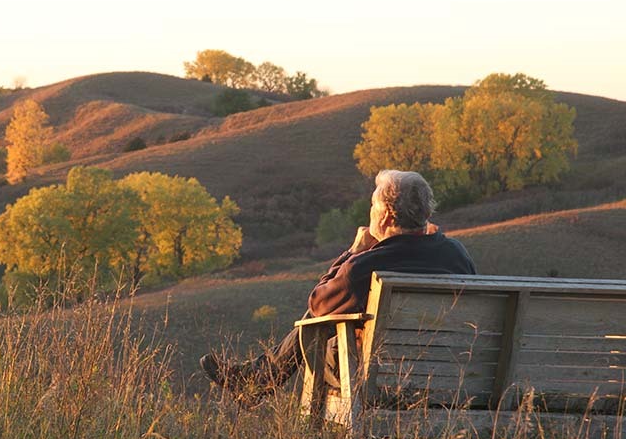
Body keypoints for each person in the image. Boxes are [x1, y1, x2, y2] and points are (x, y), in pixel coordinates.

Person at [200, 169, 476, 405]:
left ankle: (260, 381)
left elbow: (318, 304)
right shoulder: (457, 254)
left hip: (376, 378)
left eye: (373, 206)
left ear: (387, 217)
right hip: (450, 377)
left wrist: (352, 253)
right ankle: (259, 379)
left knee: (318, 322)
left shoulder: (363, 267)